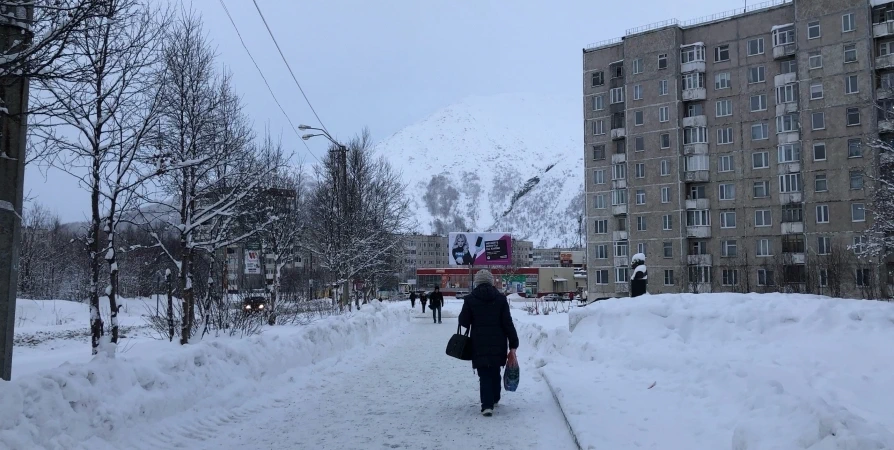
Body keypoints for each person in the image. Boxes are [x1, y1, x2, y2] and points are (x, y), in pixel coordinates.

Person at [458, 269, 519, 417]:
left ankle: (487, 405)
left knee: (484, 373)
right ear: (492, 282)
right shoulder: (500, 299)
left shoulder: (470, 299)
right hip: (498, 342)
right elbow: (507, 323)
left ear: (477, 282)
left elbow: (463, 322)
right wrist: (513, 342)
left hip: (478, 343)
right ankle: (495, 398)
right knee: (495, 371)